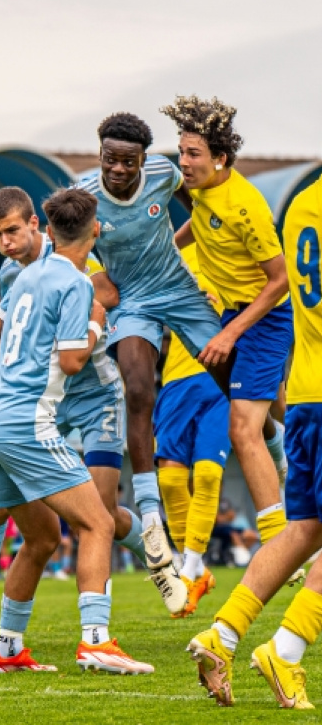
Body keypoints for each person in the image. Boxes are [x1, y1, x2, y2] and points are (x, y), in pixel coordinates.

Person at [0, 186, 161, 661]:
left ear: (40, 227)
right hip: (30, 420)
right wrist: (95, 322)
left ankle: (6, 648)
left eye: (10, 231)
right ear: (95, 232)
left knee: (42, 537)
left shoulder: (28, 276)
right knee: (98, 524)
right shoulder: (67, 279)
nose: (5, 242)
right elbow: (69, 359)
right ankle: (95, 640)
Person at [186, 176, 322, 709]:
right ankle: (285, 651)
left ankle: (222, 634)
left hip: (309, 395)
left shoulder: (302, 205)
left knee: (305, 529)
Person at [77, 112, 226, 600]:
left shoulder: (164, 174)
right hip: (133, 300)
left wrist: (181, 247)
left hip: (178, 289)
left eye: (128, 161)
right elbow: (67, 256)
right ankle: (150, 516)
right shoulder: (84, 197)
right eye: (109, 159)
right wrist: (95, 280)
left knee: (238, 380)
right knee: (138, 387)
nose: (118, 170)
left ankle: (279, 461)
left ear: (144, 159)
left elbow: (200, 208)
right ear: (99, 154)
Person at [161, 97, 292, 559]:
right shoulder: (199, 190)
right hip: (230, 315)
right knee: (274, 409)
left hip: (265, 316)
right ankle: (285, 459)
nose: (184, 163)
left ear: (222, 159)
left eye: (193, 154)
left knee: (242, 429)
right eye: (182, 152)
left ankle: (279, 545)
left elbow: (280, 282)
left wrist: (230, 332)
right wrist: (165, 253)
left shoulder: (246, 207)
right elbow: (198, 223)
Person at [155, 245, 228, 618]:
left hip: (221, 377)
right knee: (169, 480)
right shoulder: (176, 253)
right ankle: (195, 568)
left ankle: (188, 570)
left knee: (209, 473)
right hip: (177, 378)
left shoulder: (247, 251)